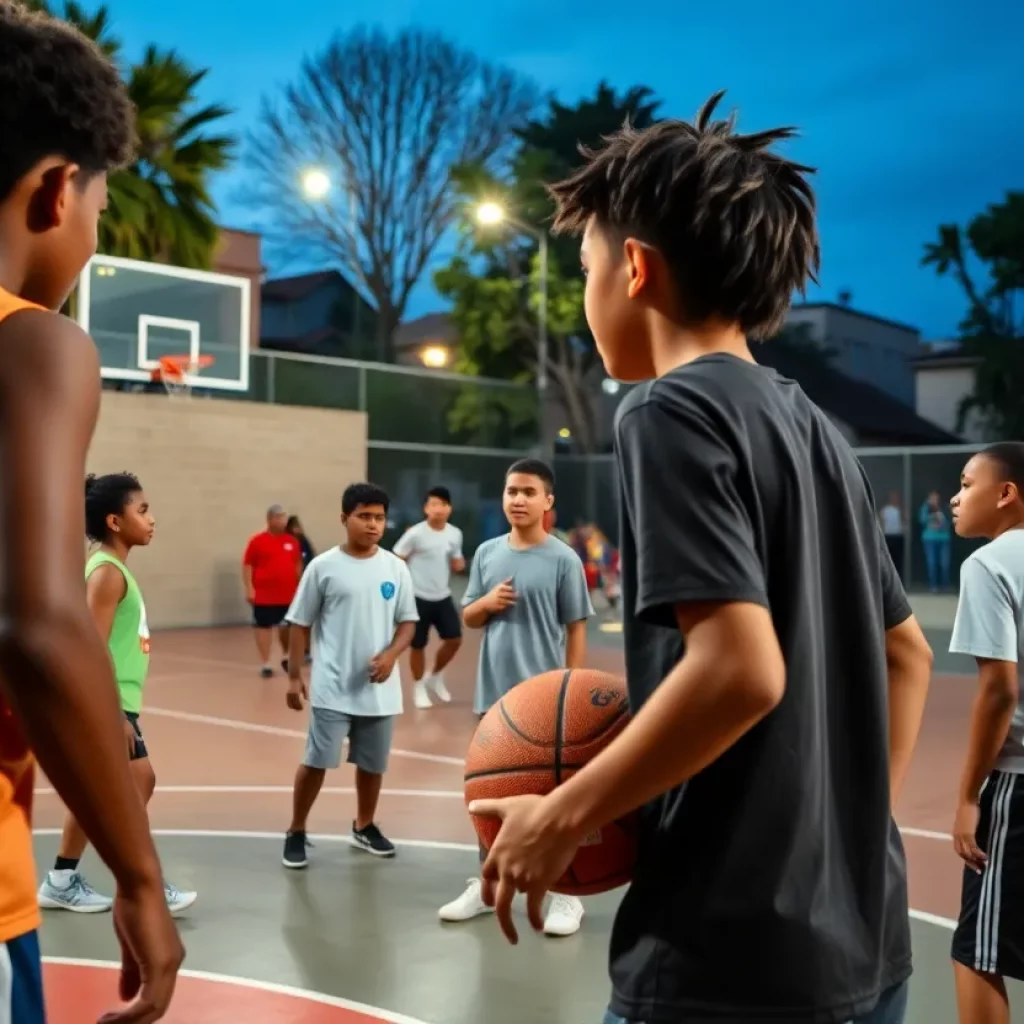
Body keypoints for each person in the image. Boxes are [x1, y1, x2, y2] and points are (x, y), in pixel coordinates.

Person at [468, 92, 934, 1023]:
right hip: (868, 943)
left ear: (634, 268)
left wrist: (563, 814)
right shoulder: (820, 430)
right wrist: (835, 839)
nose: (588, 291)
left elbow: (739, 671)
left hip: (730, 963)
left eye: (588, 264)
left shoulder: (668, 409)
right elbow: (907, 655)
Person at [0, 4, 182, 1021]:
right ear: (57, 189)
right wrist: (140, 876)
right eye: (100, 211)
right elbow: (37, 621)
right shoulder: (37, 344)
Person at [439, 458, 593, 937]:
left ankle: (567, 896)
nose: (518, 500)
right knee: (488, 796)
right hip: (494, 700)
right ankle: (489, 887)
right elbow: (470, 618)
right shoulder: (486, 553)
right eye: (511, 492)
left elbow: (576, 627)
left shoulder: (564, 558)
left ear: (548, 501)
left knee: (553, 798)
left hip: (546, 700)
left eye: (529, 492)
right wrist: (484, 604)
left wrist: (571, 690)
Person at [38, 473, 198, 916]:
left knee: (119, 789)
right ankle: (143, 882)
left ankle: (62, 879)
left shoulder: (113, 568)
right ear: (114, 520)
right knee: (134, 784)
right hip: (103, 701)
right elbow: (91, 644)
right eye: (142, 511)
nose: (151, 519)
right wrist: (114, 714)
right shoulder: (107, 572)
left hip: (110, 701)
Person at [281, 482, 418, 868]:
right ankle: (296, 829)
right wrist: (293, 677)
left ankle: (365, 825)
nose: (373, 525)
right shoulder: (323, 567)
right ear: (345, 518)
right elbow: (299, 624)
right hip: (332, 687)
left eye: (379, 518)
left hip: (379, 690)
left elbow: (408, 623)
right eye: (364, 517)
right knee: (316, 761)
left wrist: (391, 655)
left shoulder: (396, 568)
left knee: (373, 765)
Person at [946, 443, 1024, 1024]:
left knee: (977, 951)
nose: (955, 495)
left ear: (1006, 494)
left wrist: (969, 795)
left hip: (1018, 787)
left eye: (967, 483)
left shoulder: (991, 563)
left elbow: (999, 690)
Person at [392, 486, 465, 709]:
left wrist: (458, 564)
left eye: (442, 505)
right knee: (418, 645)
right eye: (433, 504)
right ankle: (418, 687)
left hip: (442, 596)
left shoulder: (455, 533)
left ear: (449, 508)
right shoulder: (415, 533)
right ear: (426, 508)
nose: (438, 509)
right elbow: (397, 556)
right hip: (417, 597)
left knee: (454, 639)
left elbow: (456, 560)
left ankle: (434, 676)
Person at [242, 504, 302, 677]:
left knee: (287, 627)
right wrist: (249, 588)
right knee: (263, 627)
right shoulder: (257, 541)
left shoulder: (292, 541)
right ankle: (266, 662)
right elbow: (247, 566)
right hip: (264, 595)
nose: (283, 520)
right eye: (279, 517)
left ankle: (286, 655)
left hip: (288, 594)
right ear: (270, 519)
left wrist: (300, 584)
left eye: (284, 517)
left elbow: (297, 563)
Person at [919, 490, 953, 592]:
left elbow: (951, 521)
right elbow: (922, 520)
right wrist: (927, 506)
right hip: (929, 539)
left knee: (944, 563)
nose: (934, 500)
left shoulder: (945, 508)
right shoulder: (926, 508)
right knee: (932, 562)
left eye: (936, 498)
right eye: (932, 498)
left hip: (943, 538)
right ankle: (933, 585)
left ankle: (944, 585)